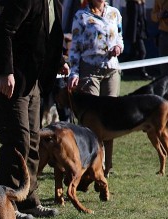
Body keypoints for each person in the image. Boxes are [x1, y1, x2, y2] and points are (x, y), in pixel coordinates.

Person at [0, 0, 67, 219]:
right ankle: (6, 204)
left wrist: (59, 59)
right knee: (17, 140)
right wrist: (6, 71)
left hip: (34, 81)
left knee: (32, 140)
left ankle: (29, 200)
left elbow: (47, 36)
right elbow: (3, 31)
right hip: (12, 80)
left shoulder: (55, 3)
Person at [67, 0, 123, 175]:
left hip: (112, 70)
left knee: (111, 119)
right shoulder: (81, 16)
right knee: (92, 122)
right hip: (89, 70)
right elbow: (74, 47)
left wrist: (119, 47)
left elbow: (120, 36)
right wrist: (74, 73)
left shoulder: (114, 13)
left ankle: (108, 166)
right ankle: (93, 164)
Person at [124, 0, 151, 79]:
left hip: (141, 32)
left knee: (133, 54)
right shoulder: (132, 3)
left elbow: (143, 19)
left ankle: (123, 68)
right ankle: (142, 73)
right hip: (135, 33)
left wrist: (145, 32)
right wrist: (133, 37)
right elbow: (133, 20)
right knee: (142, 52)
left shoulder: (142, 3)